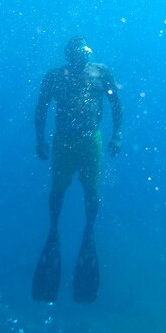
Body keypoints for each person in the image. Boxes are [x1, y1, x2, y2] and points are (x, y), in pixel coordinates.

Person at [32, 36, 122, 303]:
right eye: (76, 53)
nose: (81, 57)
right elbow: (42, 108)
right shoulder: (54, 76)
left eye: (84, 53)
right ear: (69, 55)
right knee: (59, 191)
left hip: (88, 140)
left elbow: (115, 103)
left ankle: (88, 229)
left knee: (91, 191)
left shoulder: (101, 72)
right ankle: (54, 228)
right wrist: (40, 139)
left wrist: (117, 135)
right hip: (64, 140)